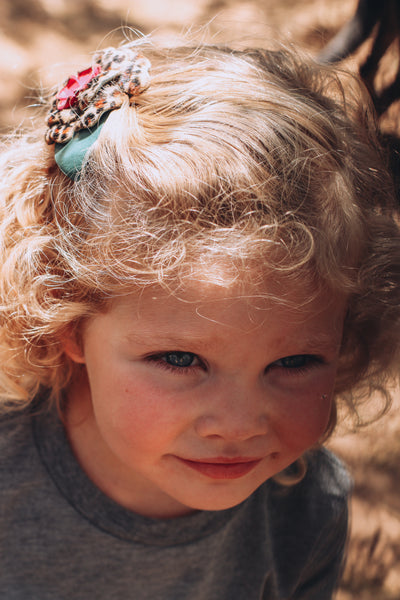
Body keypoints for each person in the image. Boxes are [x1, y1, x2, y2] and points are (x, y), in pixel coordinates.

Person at [0, 37, 399, 600]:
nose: (238, 424)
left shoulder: (304, 513)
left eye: (294, 362)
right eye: (181, 359)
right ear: (68, 317)